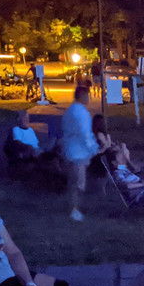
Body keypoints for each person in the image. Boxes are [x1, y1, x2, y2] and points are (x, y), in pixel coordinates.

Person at [60, 85, 99, 221]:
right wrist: (93, 148)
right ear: (83, 96)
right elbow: (84, 134)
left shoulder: (70, 111)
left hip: (71, 151)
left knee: (74, 182)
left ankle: (74, 208)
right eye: (88, 96)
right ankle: (74, 210)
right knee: (78, 184)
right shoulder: (80, 113)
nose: (89, 99)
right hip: (78, 153)